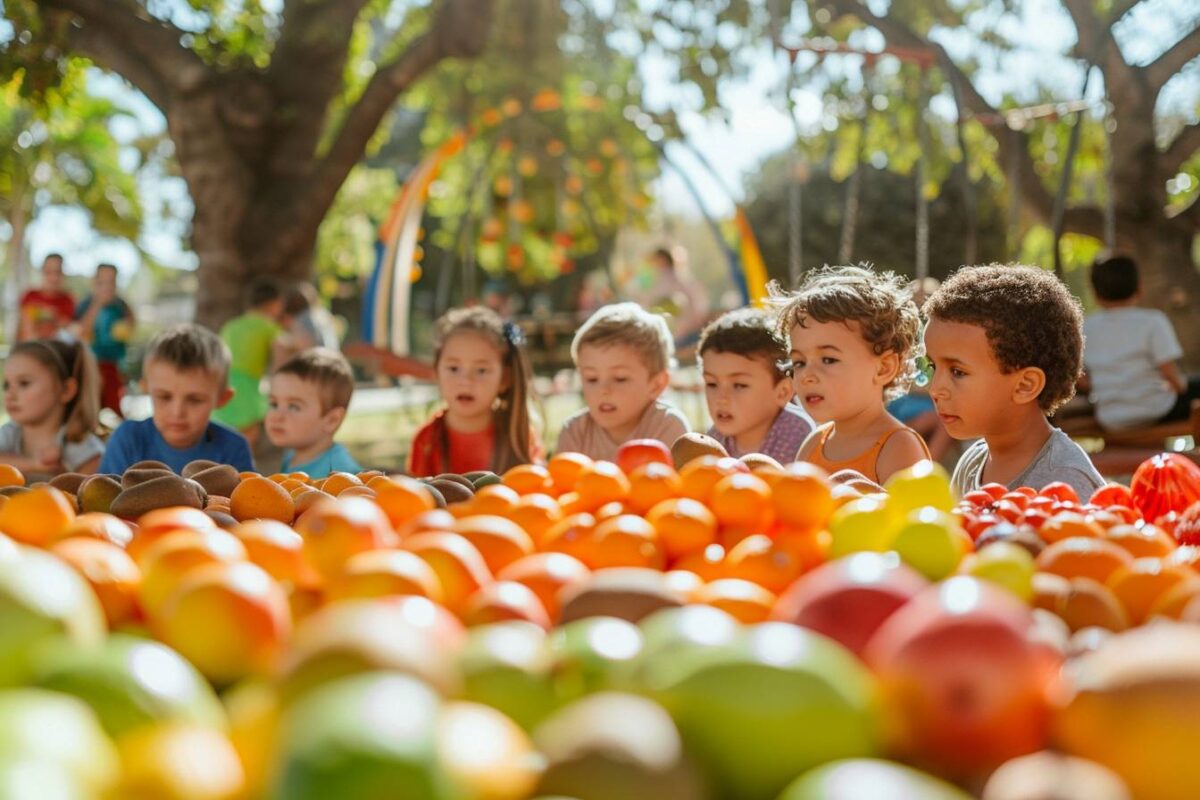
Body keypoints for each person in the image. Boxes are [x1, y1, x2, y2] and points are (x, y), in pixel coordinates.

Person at [922, 264, 1105, 499]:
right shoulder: (972, 462)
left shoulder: (1065, 482)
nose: (935, 389)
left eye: (957, 372)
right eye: (933, 367)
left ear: (1025, 385)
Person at [775, 265, 930, 484]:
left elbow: (916, 518)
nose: (806, 375)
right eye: (799, 362)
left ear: (883, 368)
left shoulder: (898, 448)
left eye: (828, 359)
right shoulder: (813, 443)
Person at [99, 324, 254, 475]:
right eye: (164, 397)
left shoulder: (233, 448)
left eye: (195, 400)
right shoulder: (127, 440)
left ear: (223, 398)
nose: (177, 412)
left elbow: (248, 499)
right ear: (145, 388)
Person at [407, 307, 542, 476]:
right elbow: (416, 498)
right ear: (436, 372)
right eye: (454, 368)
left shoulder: (520, 436)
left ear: (505, 379)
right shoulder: (426, 440)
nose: (466, 381)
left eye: (481, 370)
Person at [557, 302, 689, 461]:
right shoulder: (575, 433)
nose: (603, 389)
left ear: (656, 384)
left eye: (620, 378)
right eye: (591, 378)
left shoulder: (667, 427)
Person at [1081, 255, 1200, 430]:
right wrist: (1181, 386)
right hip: (1157, 411)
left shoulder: (1086, 327)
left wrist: (1104, 387)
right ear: (1139, 288)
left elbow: (1079, 378)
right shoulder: (1153, 321)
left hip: (1110, 417)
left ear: (1095, 293)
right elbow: (1171, 374)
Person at [697, 307, 812, 463]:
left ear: (783, 392)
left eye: (739, 385)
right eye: (711, 384)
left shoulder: (798, 439)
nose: (721, 398)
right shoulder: (714, 440)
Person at [1, 339, 105, 476]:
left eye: (24, 383)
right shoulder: (10, 433)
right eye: (6, 385)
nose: (10, 395)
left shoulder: (85, 450)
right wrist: (34, 464)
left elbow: (92, 491)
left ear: (66, 390)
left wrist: (60, 472)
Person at [214, 279, 290, 448]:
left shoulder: (230, 325)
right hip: (247, 385)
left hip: (222, 381)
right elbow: (281, 355)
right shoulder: (269, 327)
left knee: (223, 434)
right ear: (274, 303)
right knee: (247, 436)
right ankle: (240, 469)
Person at [265, 348, 361, 478]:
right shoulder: (291, 456)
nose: (277, 416)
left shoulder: (339, 474)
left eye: (293, 407)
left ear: (331, 420)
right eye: (274, 404)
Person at [74, 263, 134, 417]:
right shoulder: (87, 304)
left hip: (115, 364)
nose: (107, 287)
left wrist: (127, 324)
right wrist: (97, 304)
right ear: (94, 283)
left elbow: (131, 323)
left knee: (116, 404)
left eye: (111, 282)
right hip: (93, 364)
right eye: (102, 282)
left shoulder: (120, 305)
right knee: (92, 404)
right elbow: (81, 332)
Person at [639, 246, 709, 349]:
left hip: (683, 325)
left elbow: (693, 296)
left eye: (658, 259)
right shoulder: (655, 278)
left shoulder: (677, 276)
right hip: (672, 325)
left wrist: (697, 316)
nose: (656, 263)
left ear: (665, 259)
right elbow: (649, 298)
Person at [18, 253, 76, 342]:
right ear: (43, 271)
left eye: (57, 272)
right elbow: (26, 330)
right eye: (49, 272)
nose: (53, 278)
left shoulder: (67, 300)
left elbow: (65, 329)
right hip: (32, 347)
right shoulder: (30, 296)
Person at [284, 283, 340, 351]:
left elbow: (303, 344)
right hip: (332, 354)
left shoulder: (300, 319)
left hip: (316, 356)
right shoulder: (322, 313)